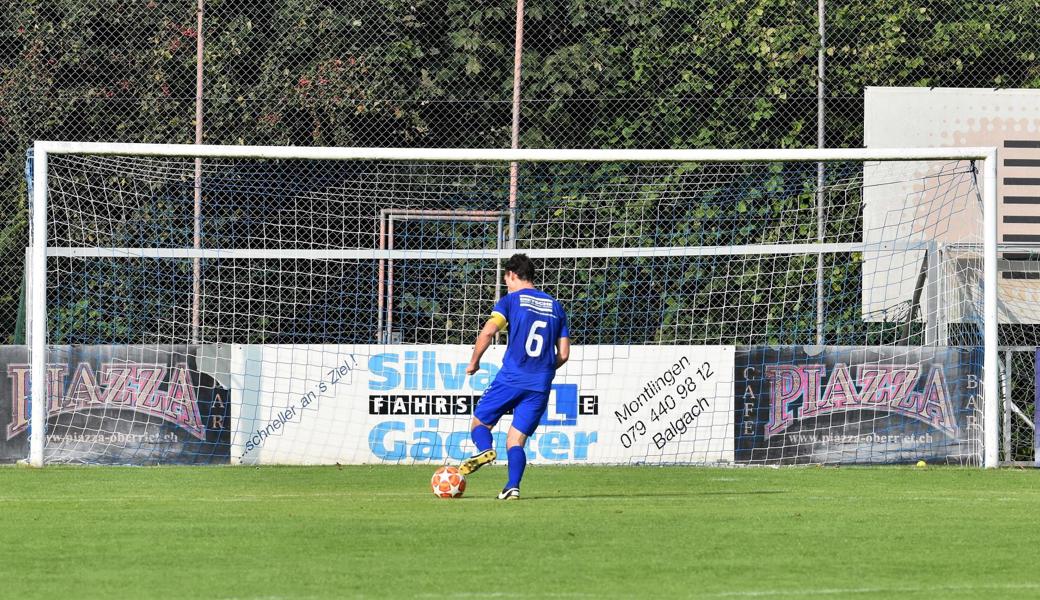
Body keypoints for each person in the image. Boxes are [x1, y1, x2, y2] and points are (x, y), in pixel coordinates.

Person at [460, 253, 570, 500]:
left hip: (511, 377)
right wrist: (543, 370)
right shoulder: (555, 306)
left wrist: (474, 362)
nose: (506, 285)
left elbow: (488, 332)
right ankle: (512, 487)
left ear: (512, 275)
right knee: (515, 441)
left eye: (506, 280)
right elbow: (563, 354)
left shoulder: (510, 301)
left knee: (480, 423)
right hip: (540, 384)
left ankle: (485, 449)